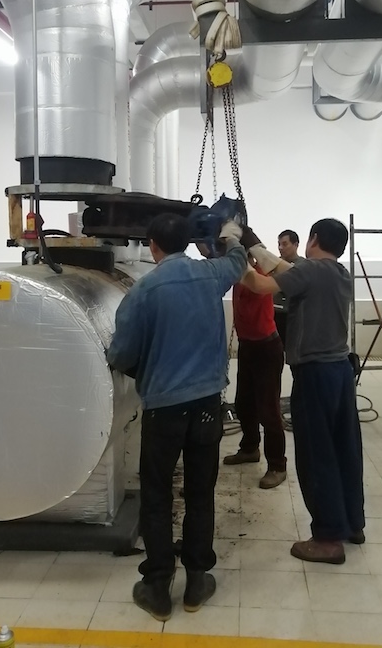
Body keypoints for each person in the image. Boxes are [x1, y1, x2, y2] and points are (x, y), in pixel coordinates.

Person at [107, 214, 246, 621]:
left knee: (157, 494)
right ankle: (197, 581)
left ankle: (157, 586)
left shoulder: (143, 290)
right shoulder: (211, 274)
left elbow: (121, 354)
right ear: (188, 242)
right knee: (201, 492)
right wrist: (232, 237)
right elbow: (238, 263)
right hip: (207, 405)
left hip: (164, 409)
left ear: (152, 245)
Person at [241, 219, 364, 566]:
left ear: (313, 239)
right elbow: (284, 269)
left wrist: (234, 254)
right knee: (344, 450)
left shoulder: (309, 272)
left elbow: (259, 284)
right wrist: (254, 244)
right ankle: (351, 524)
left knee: (316, 454)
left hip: (314, 375)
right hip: (340, 373)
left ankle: (327, 539)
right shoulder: (339, 273)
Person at [223, 257, 287, 489]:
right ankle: (250, 448)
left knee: (269, 410)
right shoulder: (236, 272)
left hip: (266, 347)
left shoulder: (259, 272)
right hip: (247, 345)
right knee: (243, 403)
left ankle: (277, 466)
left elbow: (264, 283)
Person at [273, 230, 305, 364]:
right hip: (274, 316)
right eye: (279, 244)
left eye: (285, 244)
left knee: (296, 360)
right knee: (274, 358)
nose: (281, 248)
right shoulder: (273, 264)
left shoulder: (304, 266)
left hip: (294, 318)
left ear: (296, 244)